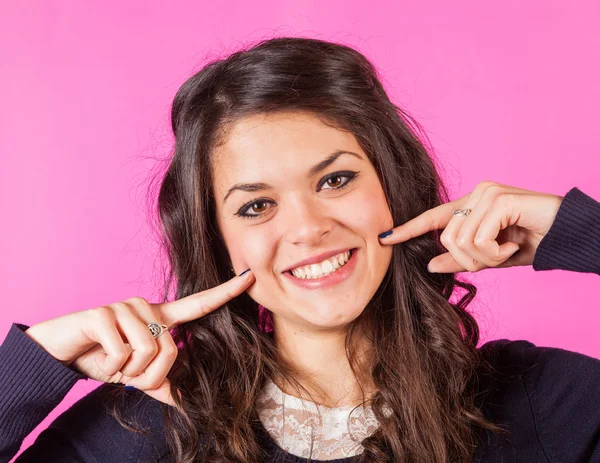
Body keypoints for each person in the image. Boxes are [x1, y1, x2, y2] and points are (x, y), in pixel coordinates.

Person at [1, 36, 599, 463]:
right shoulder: (146, 430)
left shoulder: (542, 399)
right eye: (256, 206)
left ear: (391, 187)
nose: (309, 228)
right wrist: (33, 363)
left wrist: (587, 234)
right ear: (218, 240)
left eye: (335, 181)